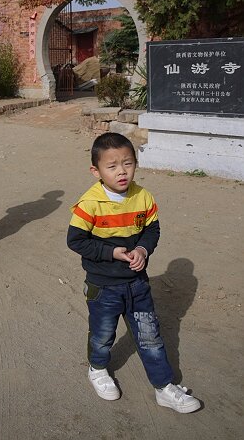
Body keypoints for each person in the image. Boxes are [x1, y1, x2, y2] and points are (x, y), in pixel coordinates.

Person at [67, 132, 200, 413]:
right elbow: (76, 240)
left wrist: (142, 250)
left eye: (127, 163)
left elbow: (152, 229)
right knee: (103, 334)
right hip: (103, 287)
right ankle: (98, 368)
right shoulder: (89, 204)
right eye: (112, 166)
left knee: (150, 335)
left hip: (138, 285)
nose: (121, 171)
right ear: (96, 171)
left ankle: (164, 386)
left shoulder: (143, 197)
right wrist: (111, 253)